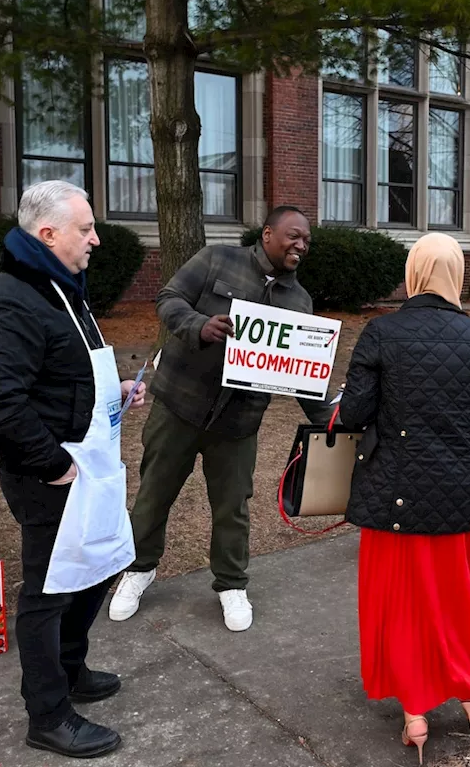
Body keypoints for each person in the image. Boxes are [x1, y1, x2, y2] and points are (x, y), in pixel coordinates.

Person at [0, 181, 145, 760]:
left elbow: (62, 373)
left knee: (94, 570)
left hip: (89, 462)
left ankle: (70, 669)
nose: (96, 238)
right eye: (86, 228)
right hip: (50, 474)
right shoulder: (10, 302)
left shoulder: (61, 289)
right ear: (48, 234)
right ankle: (47, 713)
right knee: (48, 591)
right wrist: (52, 465)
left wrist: (112, 391)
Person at [109, 206, 333, 631]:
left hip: (238, 421)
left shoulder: (298, 301)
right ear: (267, 233)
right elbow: (168, 299)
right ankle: (138, 570)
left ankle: (231, 583)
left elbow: (303, 373)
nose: (301, 245)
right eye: (293, 235)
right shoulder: (217, 259)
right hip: (179, 404)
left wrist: (334, 420)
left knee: (232, 506)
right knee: (154, 493)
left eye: (306, 240)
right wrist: (197, 325)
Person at [337, 232, 470, 764]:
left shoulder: (382, 333)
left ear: (413, 273)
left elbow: (356, 414)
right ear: (456, 274)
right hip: (463, 490)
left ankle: (415, 712)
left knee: (403, 602)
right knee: (459, 595)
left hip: (398, 490)